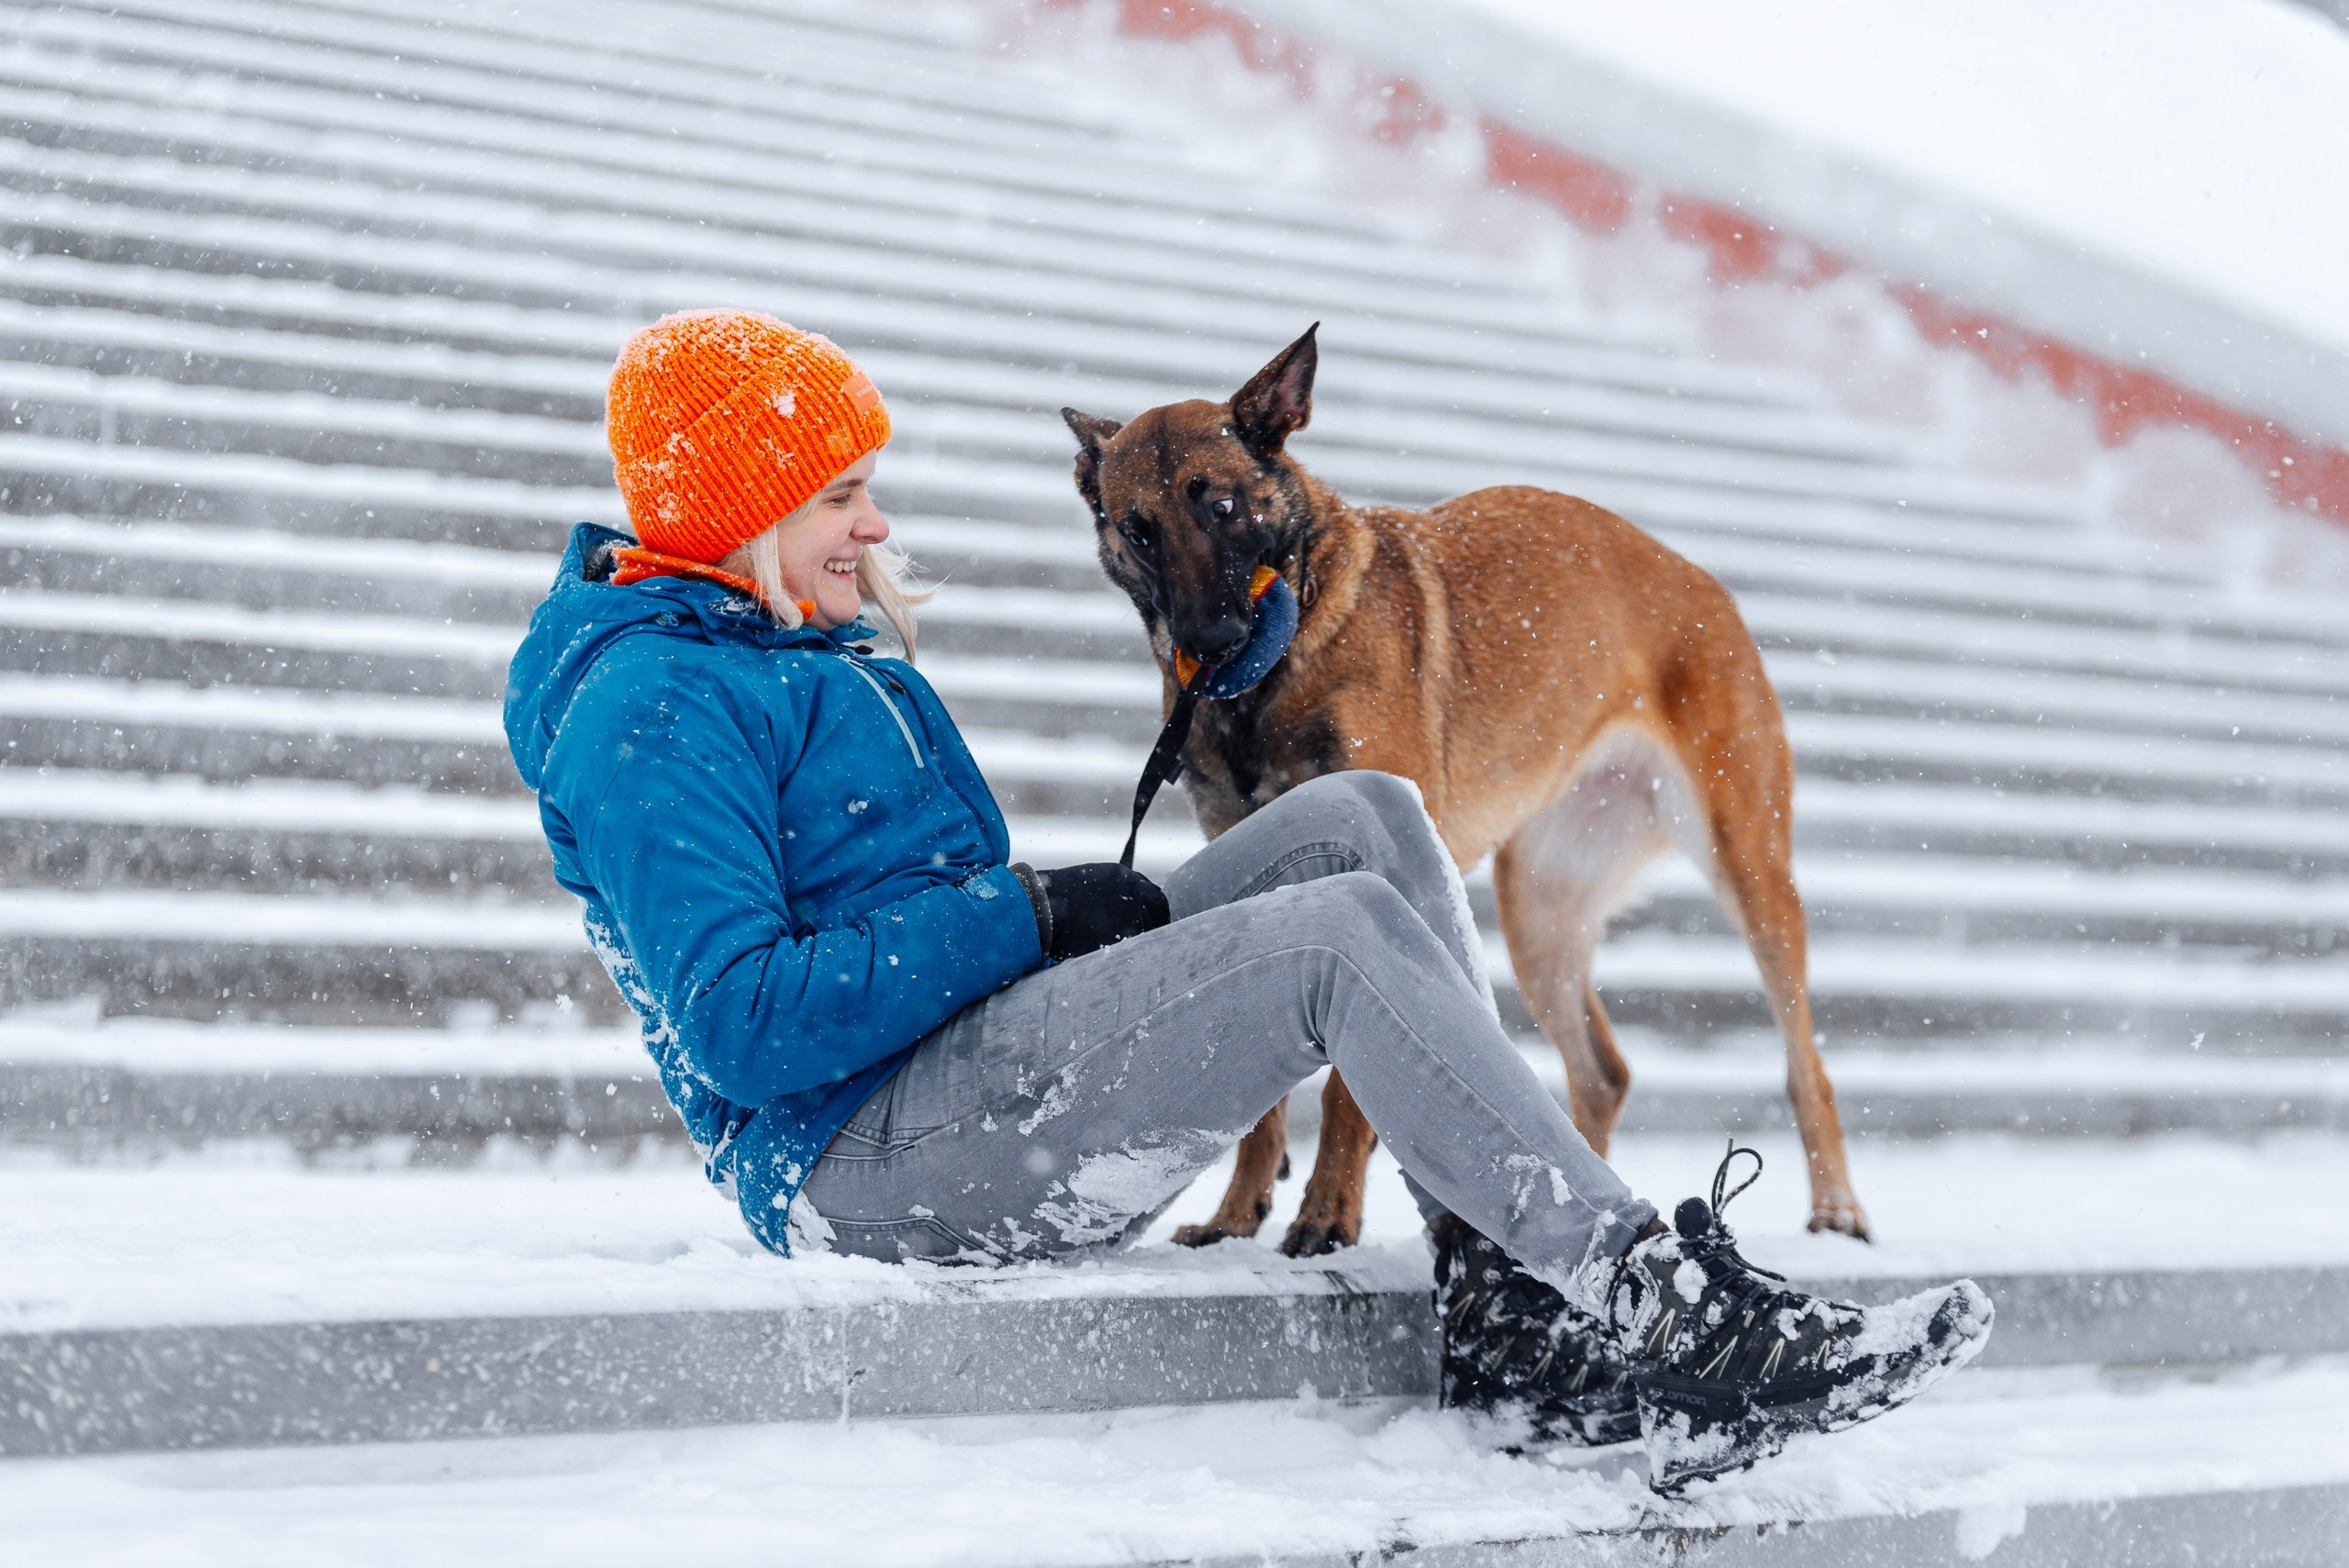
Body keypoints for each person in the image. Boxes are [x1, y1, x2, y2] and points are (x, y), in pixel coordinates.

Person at [504, 308, 1992, 1495]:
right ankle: (1652, 1300)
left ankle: (1502, 1297)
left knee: (1365, 817)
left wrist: (1023, 929)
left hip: (967, 1060)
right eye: (840, 496)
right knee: (1328, 942)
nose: (876, 526)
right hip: (860, 1168)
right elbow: (746, 1022)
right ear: (745, 510)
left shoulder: (790, 649)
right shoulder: (654, 700)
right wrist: (1020, 919)